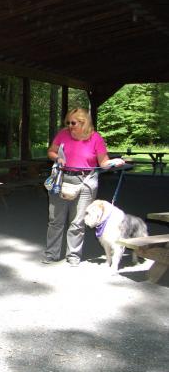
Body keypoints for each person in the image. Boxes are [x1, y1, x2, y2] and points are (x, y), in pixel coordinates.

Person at [43, 108, 125, 266]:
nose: (70, 126)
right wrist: (58, 157)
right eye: (68, 122)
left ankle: (73, 256)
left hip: (86, 181)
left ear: (84, 122)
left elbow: (104, 163)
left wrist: (115, 162)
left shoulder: (96, 138)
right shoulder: (63, 134)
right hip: (62, 178)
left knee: (77, 221)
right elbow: (51, 152)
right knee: (56, 221)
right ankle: (51, 254)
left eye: (73, 123)